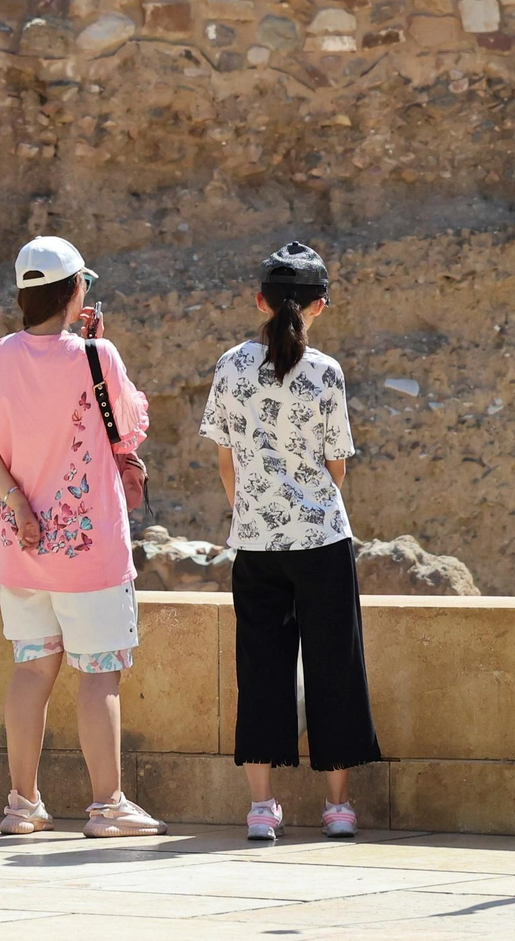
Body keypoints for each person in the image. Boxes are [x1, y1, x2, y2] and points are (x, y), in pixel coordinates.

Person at [0, 236, 163, 838]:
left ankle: (23, 804)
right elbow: (129, 424)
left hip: (19, 543)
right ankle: (106, 805)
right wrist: (95, 346)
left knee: (30, 669)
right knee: (98, 675)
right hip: (89, 552)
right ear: (75, 292)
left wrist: (16, 503)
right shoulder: (98, 357)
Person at [199, 241, 381, 842]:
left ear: (259, 301)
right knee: (335, 667)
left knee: (262, 669)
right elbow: (337, 466)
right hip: (323, 541)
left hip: (256, 542)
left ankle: (261, 807)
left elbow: (225, 459)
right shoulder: (326, 372)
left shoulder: (229, 365)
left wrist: (248, 509)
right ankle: (337, 807)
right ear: (320, 306)